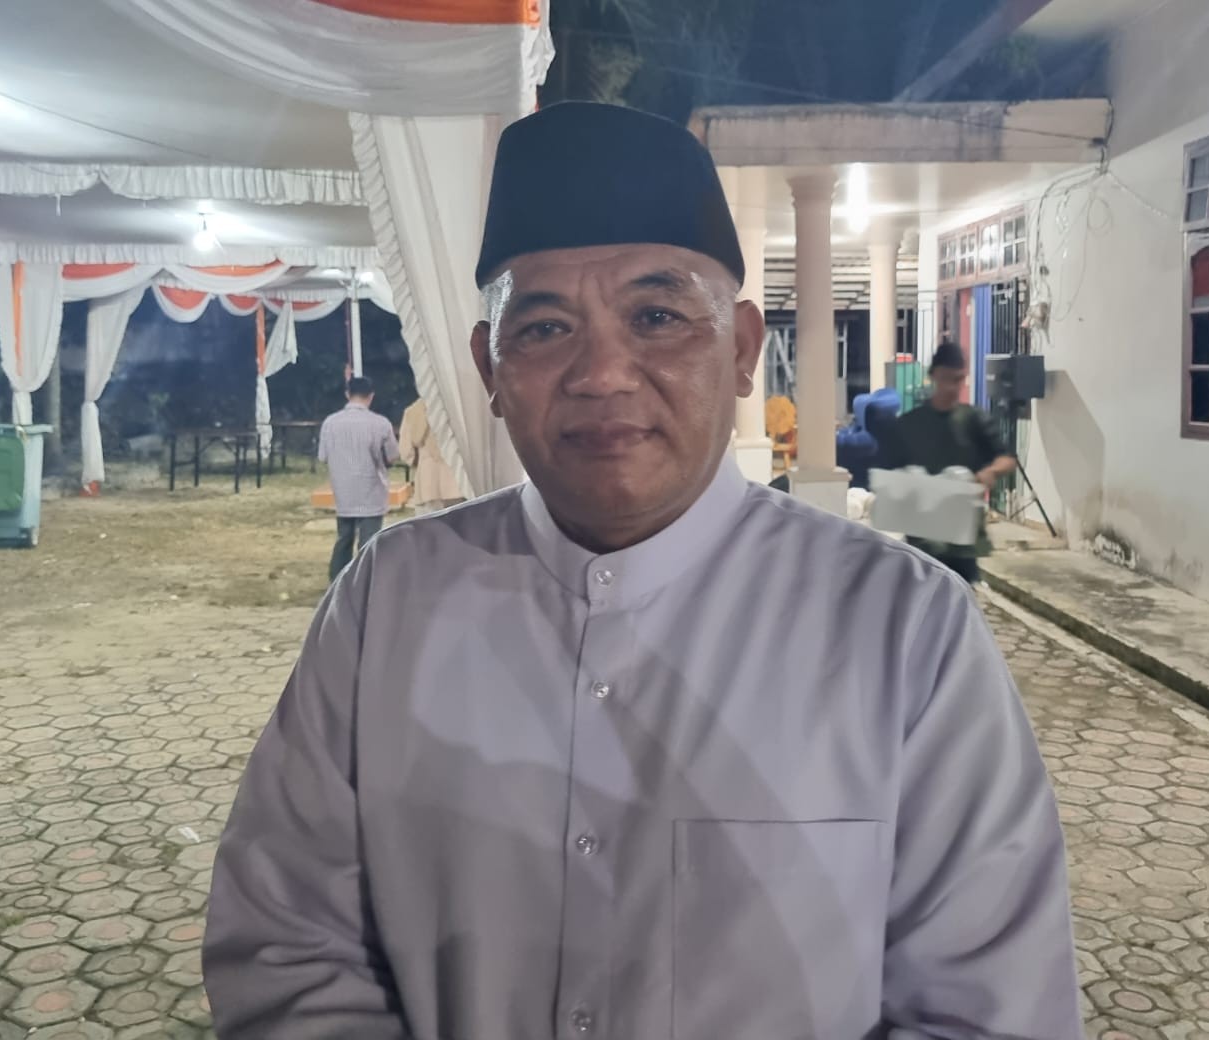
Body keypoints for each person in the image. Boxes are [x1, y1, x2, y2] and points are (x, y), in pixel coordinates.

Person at [206, 102, 1082, 1040]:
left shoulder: (904, 629)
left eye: (657, 317)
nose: (603, 374)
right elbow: (286, 943)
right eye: (544, 329)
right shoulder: (388, 603)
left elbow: (990, 1010)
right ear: (489, 371)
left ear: (741, 350)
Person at [881, 341, 1018, 585]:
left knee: (960, 599)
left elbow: (1007, 459)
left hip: (961, 540)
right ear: (933, 376)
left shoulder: (974, 420)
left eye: (958, 379)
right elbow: (889, 474)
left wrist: (991, 471)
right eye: (946, 378)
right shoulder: (910, 424)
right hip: (922, 540)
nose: (952, 387)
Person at [316, 376, 398, 582]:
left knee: (344, 538)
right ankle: (364, 582)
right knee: (368, 541)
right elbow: (392, 456)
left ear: (347, 394)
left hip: (343, 490)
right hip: (371, 489)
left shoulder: (330, 423)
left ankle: (338, 581)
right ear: (371, 396)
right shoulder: (380, 423)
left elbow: (323, 456)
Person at [397, 395, 464, 516]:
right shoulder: (458, 407)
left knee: (429, 524)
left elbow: (405, 451)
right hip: (456, 479)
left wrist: (416, 462)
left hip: (427, 480)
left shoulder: (412, 411)